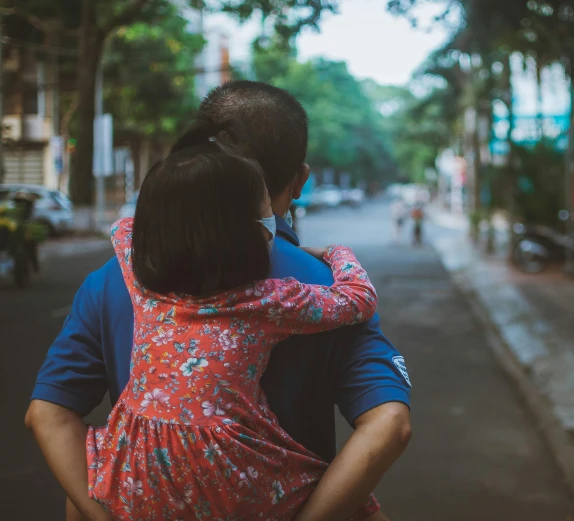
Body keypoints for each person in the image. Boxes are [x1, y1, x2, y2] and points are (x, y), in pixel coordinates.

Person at [26, 81, 411, 521]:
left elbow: (47, 414)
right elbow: (390, 425)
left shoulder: (122, 275)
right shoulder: (314, 286)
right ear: (299, 180)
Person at [83, 123, 379, 520]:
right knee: (358, 506)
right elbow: (357, 300)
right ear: (243, 236)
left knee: (86, 487)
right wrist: (337, 253)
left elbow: (125, 229)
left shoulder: (140, 281)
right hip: (228, 466)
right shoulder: (266, 300)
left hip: (139, 460)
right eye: (262, 215)